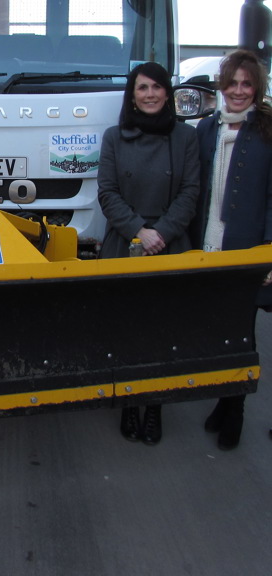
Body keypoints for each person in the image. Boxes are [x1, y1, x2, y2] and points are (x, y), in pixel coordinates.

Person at [97, 62, 199, 445]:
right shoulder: (113, 137)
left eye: (157, 87)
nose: (151, 94)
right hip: (125, 243)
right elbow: (106, 192)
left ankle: (154, 406)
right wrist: (139, 230)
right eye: (143, 88)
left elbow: (191, 191)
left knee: (161, 330)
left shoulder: (185, 138)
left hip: (170, 245)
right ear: (132, 94)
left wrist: (162, 233)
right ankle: (127, 402)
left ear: (168, 93)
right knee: (126, 327)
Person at [191, 49, 272, 450]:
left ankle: (234, 407)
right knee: (218, 328)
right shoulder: (206, 128)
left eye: (246, 84)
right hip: (209, 244)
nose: (238, 91)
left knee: (241, 329)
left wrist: (270, 251)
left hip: (248, 249)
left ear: (256, 88)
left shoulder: (268, 129)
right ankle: (225, 398)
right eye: (232, 83)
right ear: (222, 86)